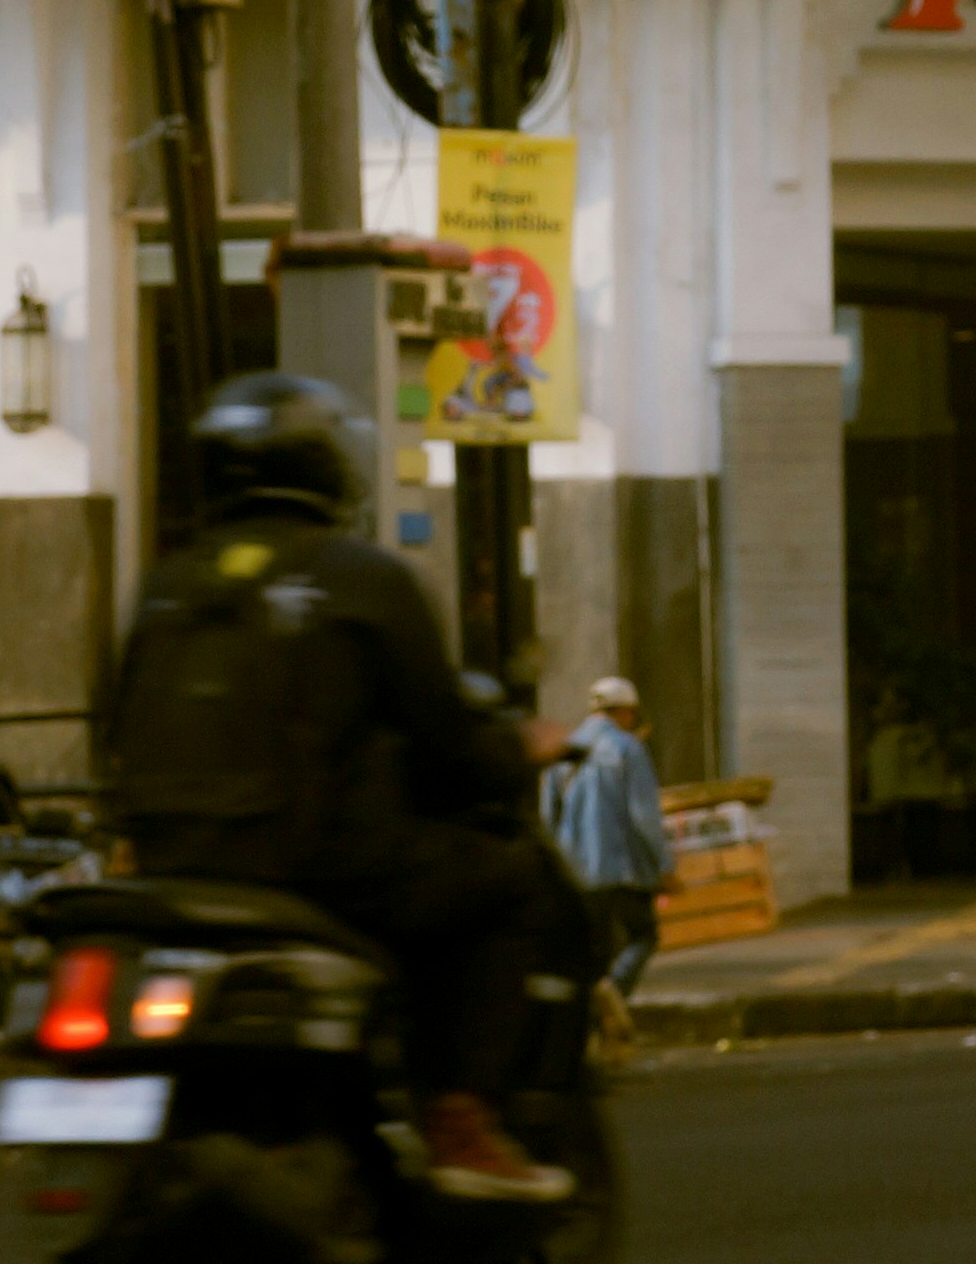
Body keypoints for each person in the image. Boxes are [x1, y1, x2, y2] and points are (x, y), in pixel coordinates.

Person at [105, 373, 576, 1201]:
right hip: (323, 866)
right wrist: (520, 750)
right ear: (328, 466)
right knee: (511, 886)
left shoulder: (166, 583)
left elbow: (117, 727)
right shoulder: (361, 578)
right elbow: (445, 744)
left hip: (173, 867)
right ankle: (460, 1119)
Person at [544, 674, 673, 997]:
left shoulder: (562, 751)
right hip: (621, 870)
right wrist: (665, 865)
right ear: (625, 711)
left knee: (594, 949)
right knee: (643, 936)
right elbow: (643, 815)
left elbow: (548, 817)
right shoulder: (628, 748)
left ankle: (594, 1016)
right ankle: (612, 996)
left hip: (575, 873)